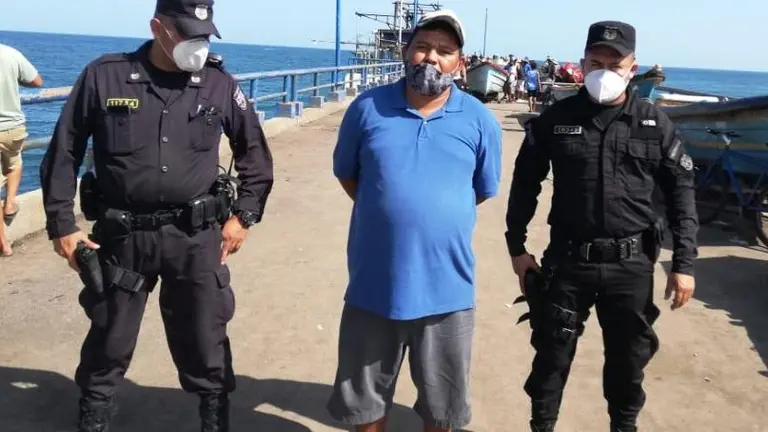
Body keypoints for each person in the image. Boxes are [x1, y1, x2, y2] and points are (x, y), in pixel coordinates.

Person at [38, 0, 274, 430]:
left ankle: (214, 418)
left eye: (204, 35)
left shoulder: (219, 84)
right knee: (109, 336)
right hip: (123, 235)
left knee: (206, 336)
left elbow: (254, 152)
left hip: (195, 237)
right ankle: (93, 417)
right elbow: (64, 151)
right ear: (158, 28)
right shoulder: (103, 75)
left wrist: (244, 215)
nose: (197, 44)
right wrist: (62, 225)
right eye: (187, 33)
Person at [504, 21, 698, 432]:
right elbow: (524, 184)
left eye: (615, 62)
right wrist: (516, 248)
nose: (605, 70)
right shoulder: (556, 119)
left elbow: (681, 190)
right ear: (582, 61)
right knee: (551, 358)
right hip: (568, 261)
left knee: (629, 362)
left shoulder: (653, 123)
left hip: (631, 265)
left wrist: (684, 263)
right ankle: (542, 426)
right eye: (596, 61)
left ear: (633, 67)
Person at [326, 9, 502, 432]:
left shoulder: (480, 120)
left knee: (443, 410)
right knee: (364, 405)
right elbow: (349, 175)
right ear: (406, 51)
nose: (431, 57)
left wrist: (433, 213)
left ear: (459, 63)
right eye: (422, 46)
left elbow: (480, 189)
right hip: (374, 283)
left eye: (445, 51)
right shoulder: (366, 108)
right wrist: (388, 207)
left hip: (447, 290)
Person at [0, 43, 43, 257]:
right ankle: (9, 204)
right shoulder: (11, 53)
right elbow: (37, 81)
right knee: (15, 161)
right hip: (14, 127)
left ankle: (4, 244)